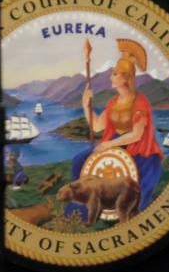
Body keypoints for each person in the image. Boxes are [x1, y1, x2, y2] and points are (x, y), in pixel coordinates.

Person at [69, 39, 163, 220]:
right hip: (115, 145)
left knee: (140, 180)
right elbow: (97, 126)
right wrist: (85, 105)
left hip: (136, 148)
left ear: (126, 77)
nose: (110, 77)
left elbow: (137, 134)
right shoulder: (113, 103)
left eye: (114, 74)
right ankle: (82, 209)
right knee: (78, 160)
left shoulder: (140, 102)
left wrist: (110, 144)